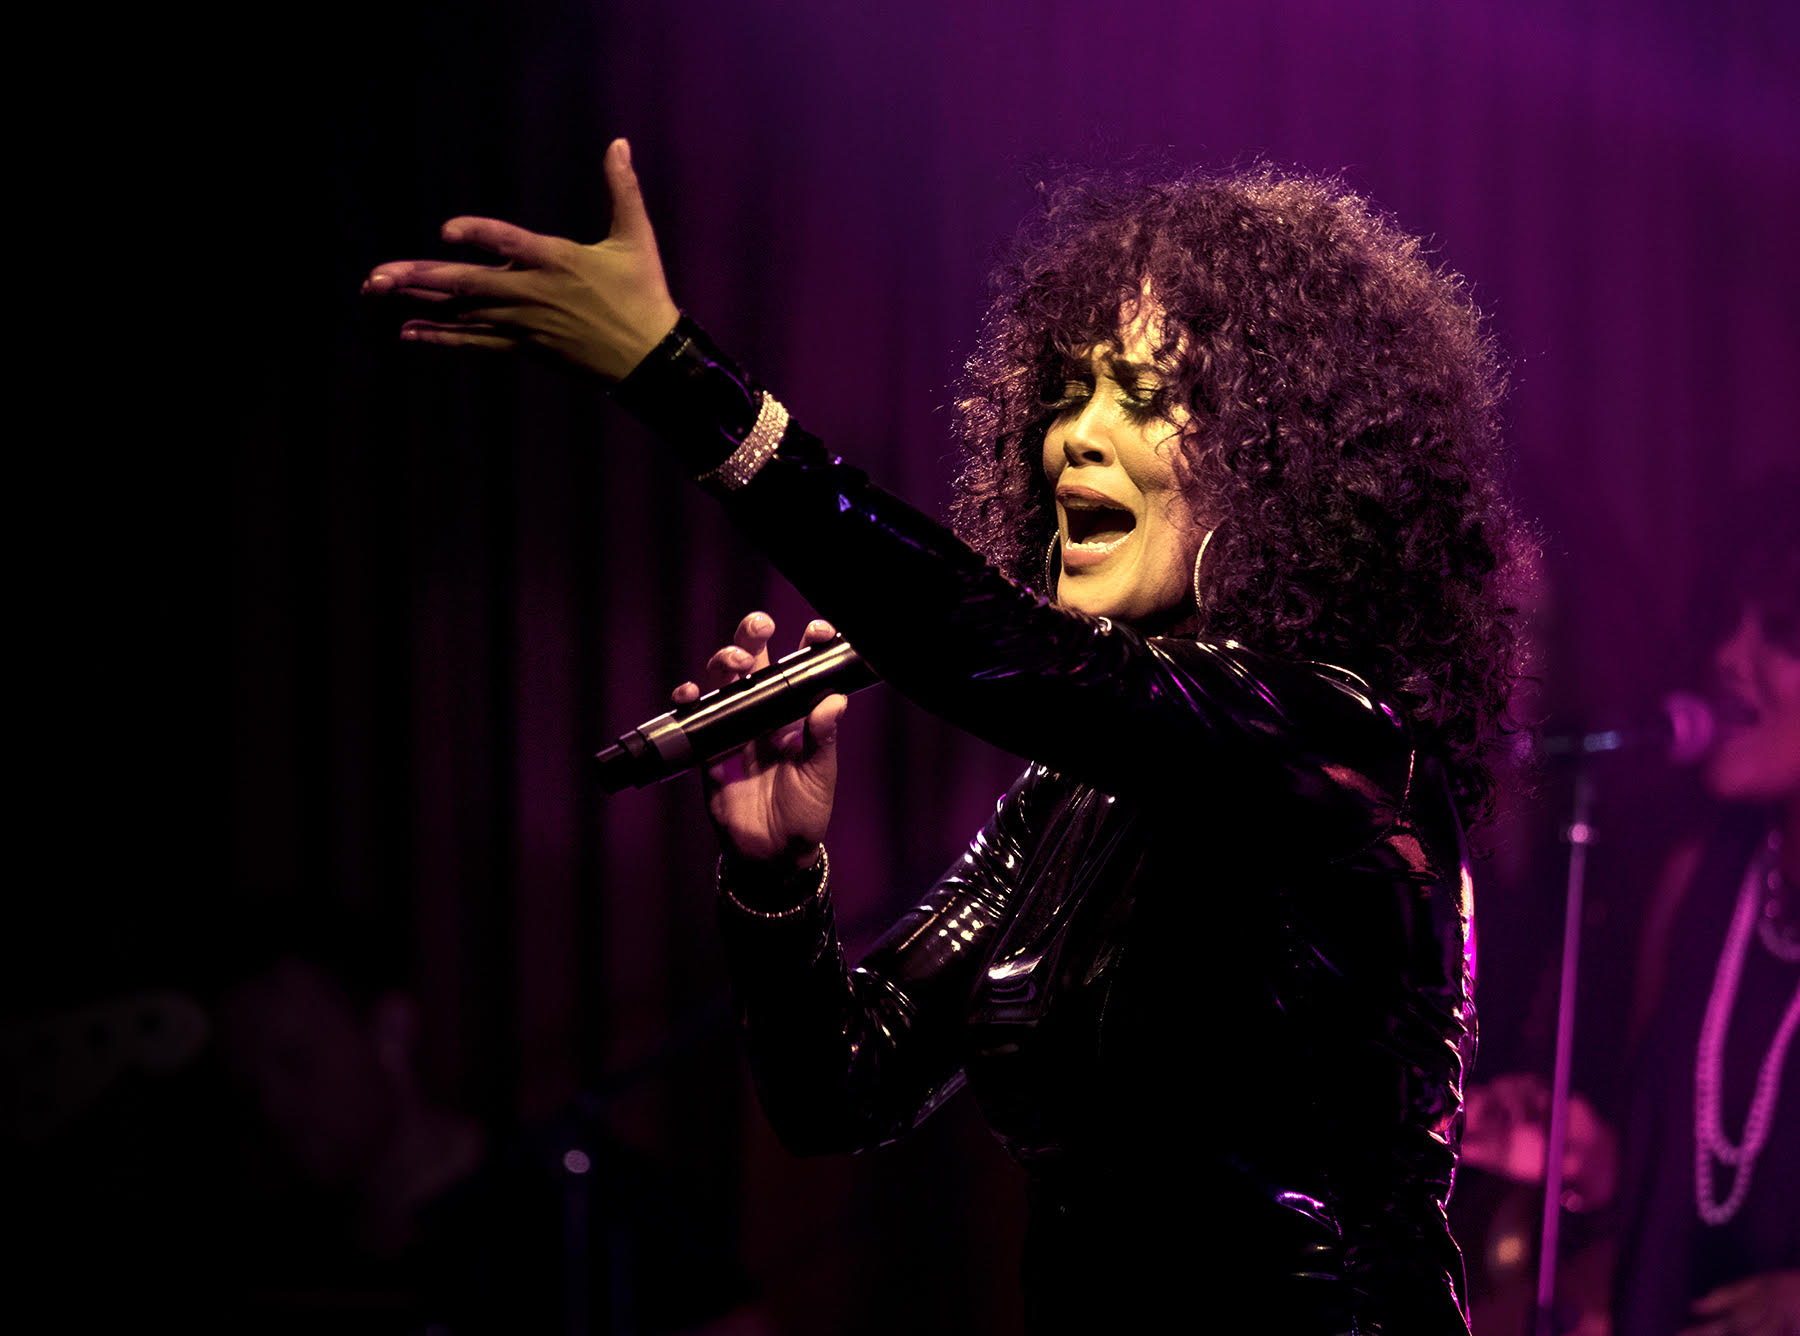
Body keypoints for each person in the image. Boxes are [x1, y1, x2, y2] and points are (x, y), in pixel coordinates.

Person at [364, 139, 1524, 1332]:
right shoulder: (1068, 800)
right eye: (1069, 392)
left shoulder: (1339, 742)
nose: (1074, 436)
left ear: (1281, 465)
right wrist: (776, 877)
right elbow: (843, 1088)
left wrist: (676, 374)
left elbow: (999, 652)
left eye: (1142, 398)